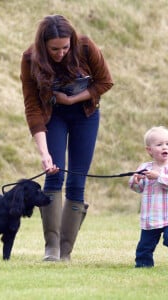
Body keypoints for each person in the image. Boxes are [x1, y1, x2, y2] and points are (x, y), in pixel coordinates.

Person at [20, 15, 113, 261]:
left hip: (85, 114)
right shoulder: (30, 59)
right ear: (43, 45)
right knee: (54, 175)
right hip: (54, 116)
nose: (60, 53)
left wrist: (72, 99)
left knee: (76, 181)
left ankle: (65, 251)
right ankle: (51, 248)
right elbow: (32, 107)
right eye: (54, 49)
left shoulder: (84, 47)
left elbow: (105, 81)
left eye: (65, 47)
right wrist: (44, 153)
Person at [129, 126, 168, 268]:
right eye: (159, 144)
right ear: (149, 150)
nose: (164, 147)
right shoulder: (145, 167)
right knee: (145, 245)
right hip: (151, 216)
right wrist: (135, 180)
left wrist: (158, 176)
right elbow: (138, 188)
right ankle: (143, 265)